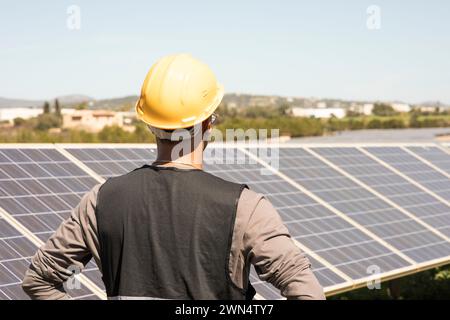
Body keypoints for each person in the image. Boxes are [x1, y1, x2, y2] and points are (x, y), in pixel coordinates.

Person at [22, 54, 325, 300]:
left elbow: (38, 281)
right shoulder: (246, 208)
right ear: (208, 123)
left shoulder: (100, 201)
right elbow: (308, 293)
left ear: (149, 125)